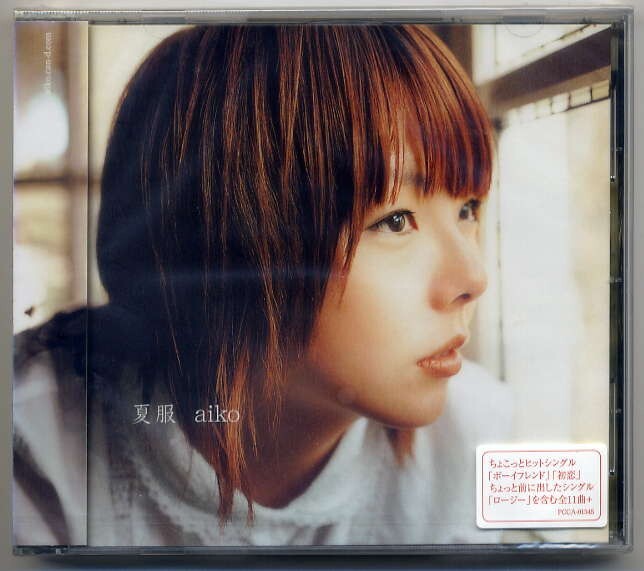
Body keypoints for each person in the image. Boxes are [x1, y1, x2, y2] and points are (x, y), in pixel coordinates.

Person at [13, 24, 512, 547]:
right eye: (395, 220)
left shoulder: (468, 438)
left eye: (467, 208)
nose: (473, 278)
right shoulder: (37, 445)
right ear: (227, 242)